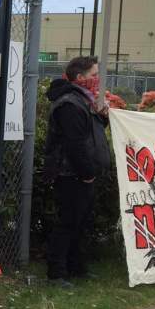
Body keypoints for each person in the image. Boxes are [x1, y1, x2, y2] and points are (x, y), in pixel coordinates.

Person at [44, 56, 111, 286]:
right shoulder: (70, 104)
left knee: (80, 222)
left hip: (81, 172)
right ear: (80, 78)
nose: (97, 80)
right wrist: (87, 172)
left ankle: (76, 267)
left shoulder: (85, 100)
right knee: (68, 222)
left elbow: (90, 133)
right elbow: (75, 144)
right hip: (70, 173)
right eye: (93, 75)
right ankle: (56, 273)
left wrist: (103, 118)